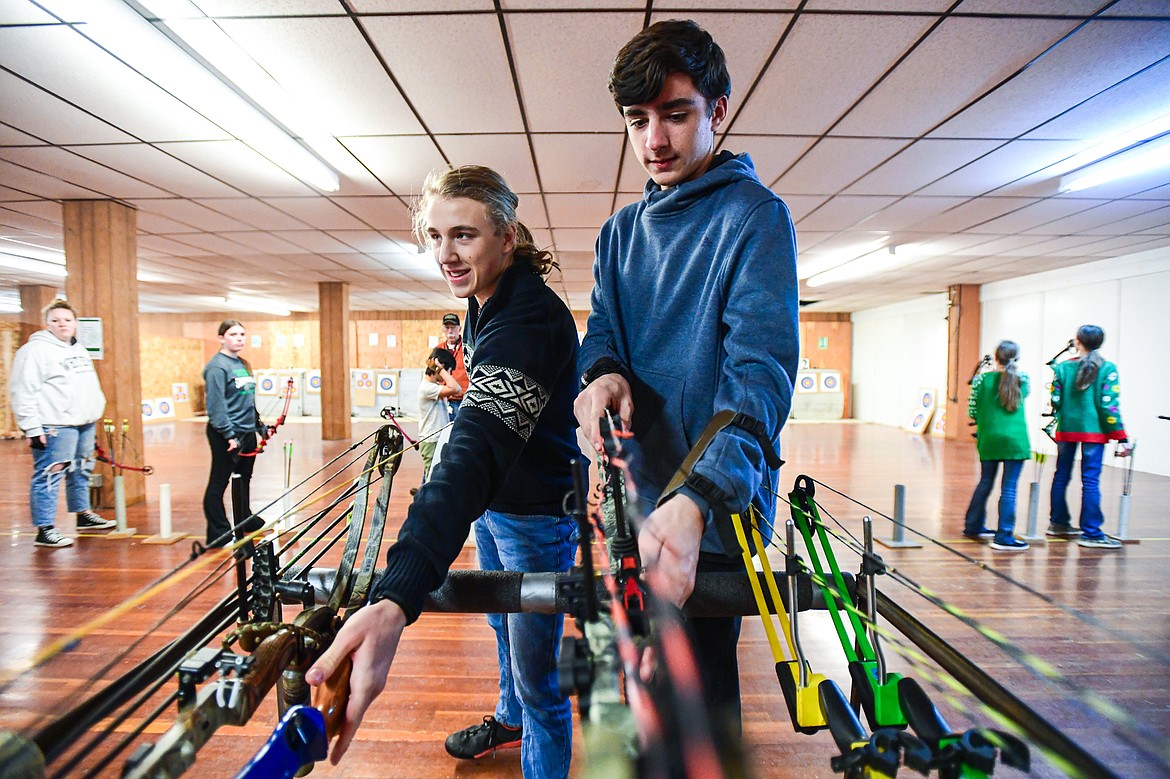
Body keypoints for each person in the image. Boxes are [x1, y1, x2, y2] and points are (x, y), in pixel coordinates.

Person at [308, 165, 581, 779]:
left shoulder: (529, 316)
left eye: (464, 236)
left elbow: (476, 450)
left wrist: (395, 597)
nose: (446, 254)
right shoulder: (485, 302)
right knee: (498, 620)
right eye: (435, 236)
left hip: (535, 517)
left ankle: (532, 732)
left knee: (540, 677)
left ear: (508, 237)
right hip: (498, 506)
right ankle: (508, 720)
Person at [573, 19, 798, 732]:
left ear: (719, 109)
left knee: (698, 711)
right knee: (631, 701)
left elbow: (759, 374)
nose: (655, 141)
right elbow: (602, 330)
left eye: (675, 114)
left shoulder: (754, 218)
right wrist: (601, 372)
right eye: (637, 121)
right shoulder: (618, 234)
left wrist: (699, 494)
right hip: (631, 498)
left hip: (710, 511)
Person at [10, 299, 116, 548]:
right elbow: (22, 391)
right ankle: (45, 528)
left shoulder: (77, 348)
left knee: (81, 469)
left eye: (67, 320)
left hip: (83, 423)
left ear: (75, 323)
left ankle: (83, 515)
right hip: (55, 424)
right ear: (47, 323)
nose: (62, 324)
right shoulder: (34, 351)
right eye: (56, 320)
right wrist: (32, 428)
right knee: (50, 473)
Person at [1048, 324, 1131, 549]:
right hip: (1094, 433)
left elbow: (1055, 401)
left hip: (1067, 430)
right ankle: (1091, 533)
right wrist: (1121, 436)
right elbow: (1109, 406)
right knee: (1091, 480)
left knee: (1061, 475)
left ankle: (1058, 523)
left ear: (1077, 342)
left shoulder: (1063, 367)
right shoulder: (1108, 368)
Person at [201, 320, 266, 547]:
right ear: (221, 338)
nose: (239, 338)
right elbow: (216, 405)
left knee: (243, 479)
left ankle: (244, 518)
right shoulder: (217, 367)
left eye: (242, 334)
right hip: (227, 435)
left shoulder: (242, 364)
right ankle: (218, 533)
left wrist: (259, 426)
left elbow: (247, 400)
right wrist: (228, 434)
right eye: (233, 334)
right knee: (219, 482)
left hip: (247, 431)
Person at [962, 341, 1031, 551]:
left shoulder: (981, 379)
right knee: (1009, 488)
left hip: (989, 438)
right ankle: (1004, 536)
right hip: (1015, 441)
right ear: (1016, 358)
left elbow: (972, 412)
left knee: (985, 482)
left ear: (996, 357)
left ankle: (973, 526)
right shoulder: (1023, 379)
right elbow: (1021, 397)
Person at [417, 346, 461, 483]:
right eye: (448, 370)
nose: (448, 375)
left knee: (435, 477)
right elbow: (456, 389)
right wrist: (441, 369)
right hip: (431, 441)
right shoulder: (427, 388)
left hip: (437, 439)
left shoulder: (434, 386)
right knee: (432, 480)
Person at [440, 312, 469, 420]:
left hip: (463, 399)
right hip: (444, 399)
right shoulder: (439, 350)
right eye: (447, 327)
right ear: (443, 329)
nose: (450, 331)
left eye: (453, 327)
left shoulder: (468, 348)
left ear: (459, 328)